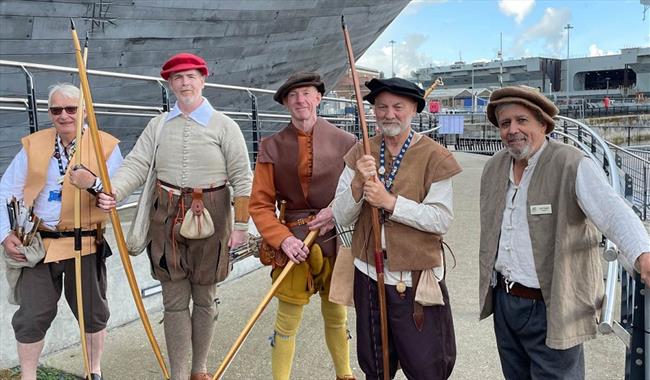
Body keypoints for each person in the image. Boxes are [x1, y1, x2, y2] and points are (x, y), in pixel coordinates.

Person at [96, 52, 252, 380]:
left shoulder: (225, 125)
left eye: (190, 76)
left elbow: (242, 177)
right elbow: (136, 165)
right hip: (165, 217)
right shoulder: (157, 126)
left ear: (203, 80)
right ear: (170, 85)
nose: (185, 83)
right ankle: (179, 374)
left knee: (206, 297)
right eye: (177, 78)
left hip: (214, 217)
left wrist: (241, 225)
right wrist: (114, 193)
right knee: (174, 299)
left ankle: (200, 370)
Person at [478, 85, 650, 379]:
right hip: (505, 300)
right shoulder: (495, 166)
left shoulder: (570, 163)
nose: (512, 130)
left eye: (522, 120)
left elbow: (613, 211)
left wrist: (642, 254)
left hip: (552, 303)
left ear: (543, 124)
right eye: (505, 123)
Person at [333, 77, 461, 380]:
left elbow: (440, 219)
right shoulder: (360, 152)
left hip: (415, 278)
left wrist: (391, 202)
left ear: (414, 109)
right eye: (381, 107)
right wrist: (356, 184)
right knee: (376, 365)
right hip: (369, 273)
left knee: (428, 366)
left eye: (397, 107)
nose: (388, 114)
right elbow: (341, 216)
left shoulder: (435, 156)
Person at [0, 83, 123, 380]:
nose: (64, 115)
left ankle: (94, 371)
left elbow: (117, 195)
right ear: (49, 113)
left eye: (71, 108)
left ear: (83, 111)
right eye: (56, 110)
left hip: (85, 243)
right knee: (31, 316)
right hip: (40, 244)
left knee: (93, 314)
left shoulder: (104, 145)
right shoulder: (35, 144)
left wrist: (94, 184)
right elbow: (7, 189)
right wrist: (5, 234)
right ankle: (28, 376)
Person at [248, 71, 357, 380]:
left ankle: (345, 375)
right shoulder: (272, 146)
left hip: (336, 237)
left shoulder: (347, 142)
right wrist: (283, 240)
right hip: (294, 241)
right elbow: (260, 204)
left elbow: (358, 190)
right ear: (286, 104)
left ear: (319, 98)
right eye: (293, 96)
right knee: (287, 318)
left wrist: (336, 211)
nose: (300, 100)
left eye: (307, 93)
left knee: (337, 314)